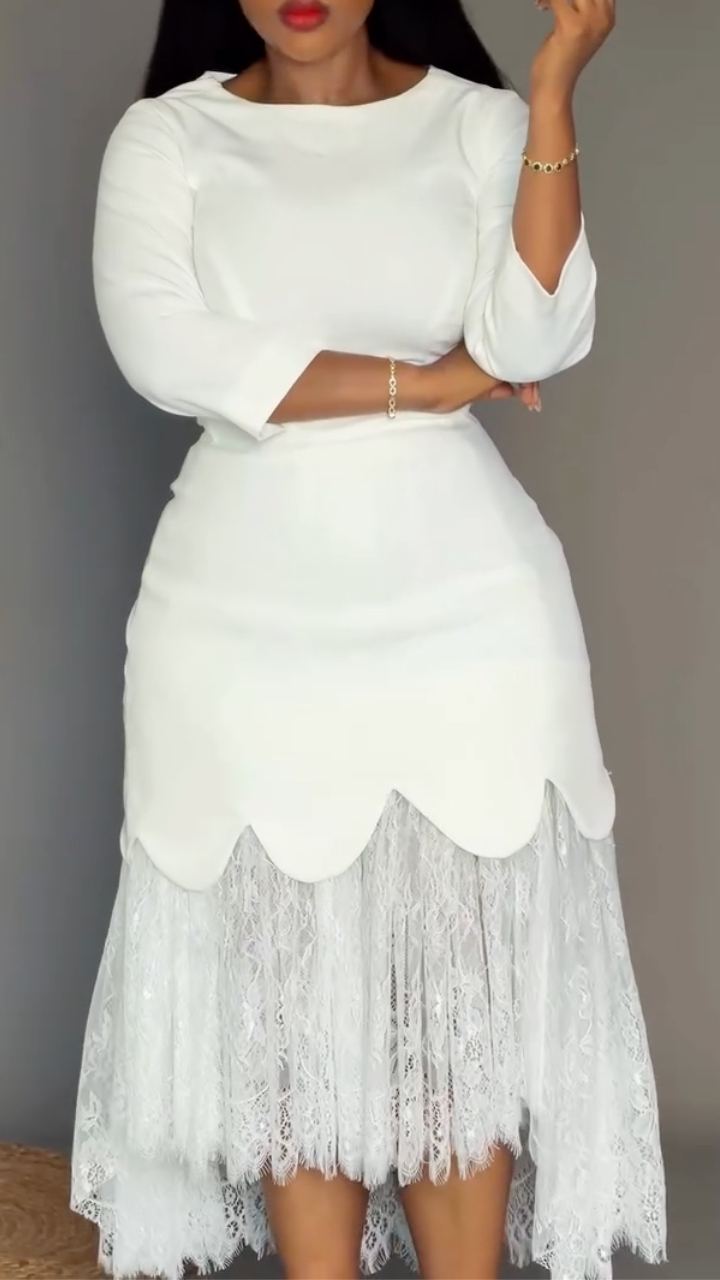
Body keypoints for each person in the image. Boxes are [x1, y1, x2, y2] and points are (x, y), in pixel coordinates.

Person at [70, 0, 667, 1277]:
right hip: (240, 617)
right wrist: (427, 381)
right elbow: (166, 347)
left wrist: (554, 91)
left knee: (454, 1020)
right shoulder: (167, 140)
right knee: (289, 1007)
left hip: (466, 613)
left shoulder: (480, 122)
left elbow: (536, 332)